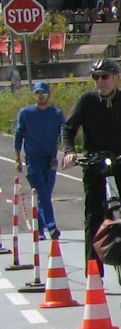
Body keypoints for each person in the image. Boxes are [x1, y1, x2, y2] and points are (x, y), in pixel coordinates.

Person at [62, 59, 121, 264]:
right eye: (96, 77)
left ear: (116, 78)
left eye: (105, 76)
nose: (100, 81)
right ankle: (93, 270)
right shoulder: (87, 100)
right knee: (94, 214)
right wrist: (70, 151)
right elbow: (68, 128)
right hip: (95, 163)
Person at [12, 80, 63, 237]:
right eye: (38, 93)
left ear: (48, 94)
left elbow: (65, 133)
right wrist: (17, 159)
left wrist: (67, 152)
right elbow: (18, 136)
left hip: (51, 158)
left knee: (46, 192)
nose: (41, 96)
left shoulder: (56, 114)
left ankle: (39, 229)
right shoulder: (25, 113)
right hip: (34, 158)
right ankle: (51, 225)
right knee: (41, 191)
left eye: (43, 93)